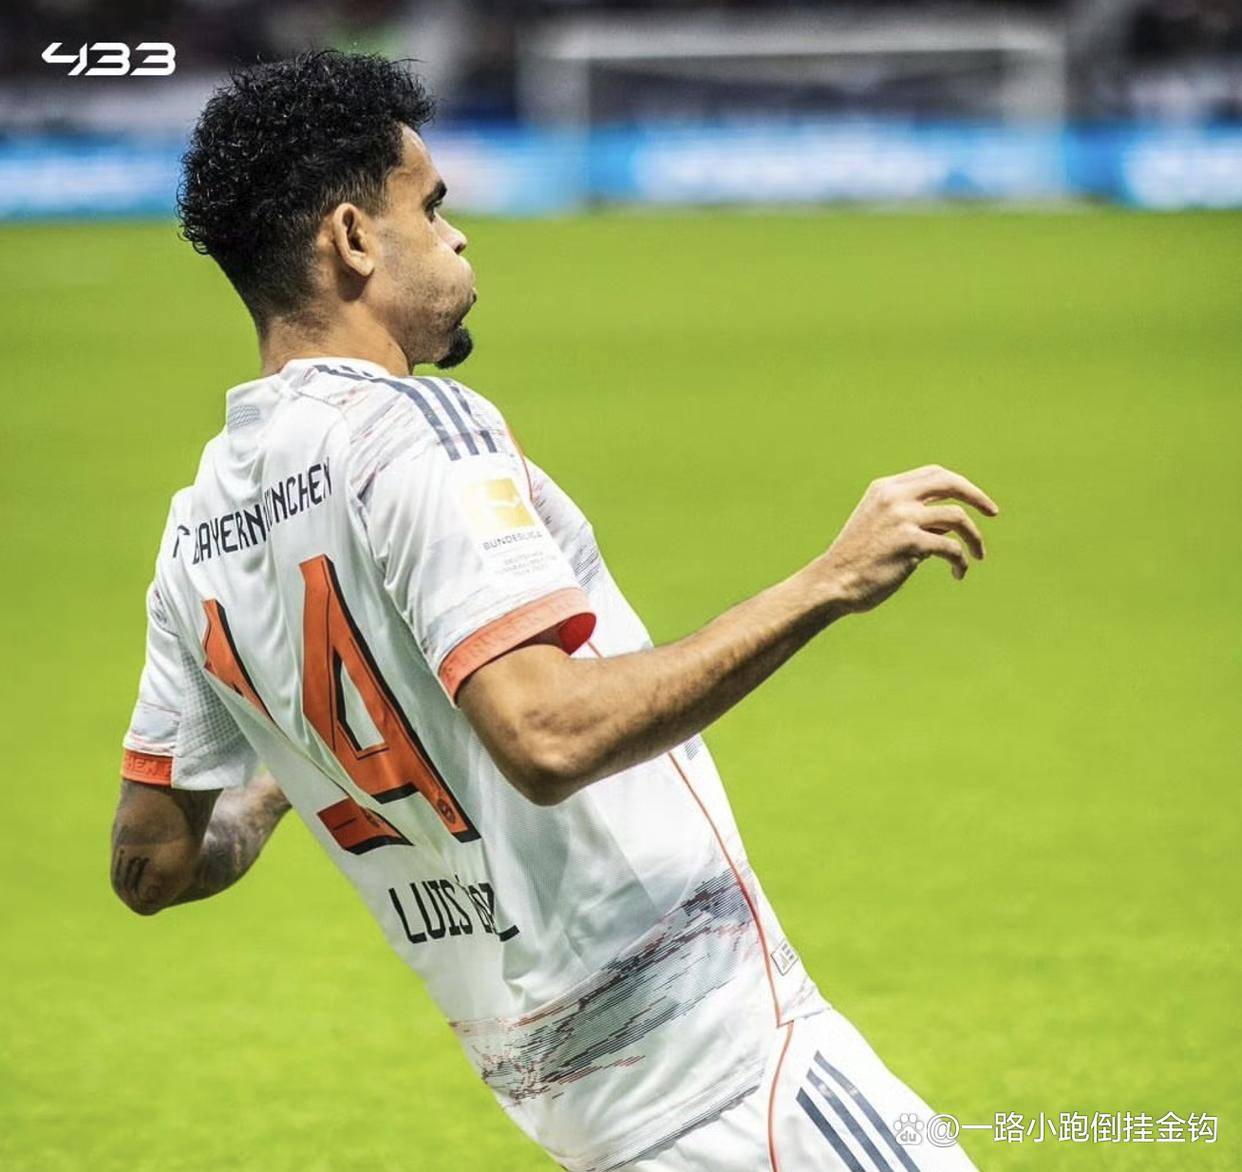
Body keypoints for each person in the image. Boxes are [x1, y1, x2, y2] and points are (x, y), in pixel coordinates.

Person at [111, 50, 997, 1172]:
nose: (458, 236)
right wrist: (826, 580)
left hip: (572, 1113)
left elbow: (151, 866)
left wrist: (297, 772)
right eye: (432, 208)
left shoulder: (195, 531)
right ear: (353, 238)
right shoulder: (419, 429)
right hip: (734, 1075)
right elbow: (546, 735)